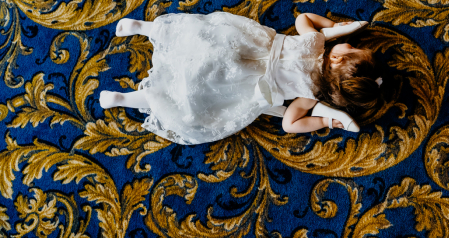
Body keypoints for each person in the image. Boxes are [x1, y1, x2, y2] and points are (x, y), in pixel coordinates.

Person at [99, 12, 383, 145]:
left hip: (247, 46)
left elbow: (301, 17)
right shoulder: (310, 94)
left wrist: (332, 27)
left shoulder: (316, 42)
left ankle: (148, 28)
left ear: (337, 58)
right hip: (244, 83)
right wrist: (323, 120)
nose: (350, 44)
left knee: (203, 37)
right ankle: (125, 98)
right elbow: (289, 123)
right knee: (193, 98)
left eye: (353, 47)